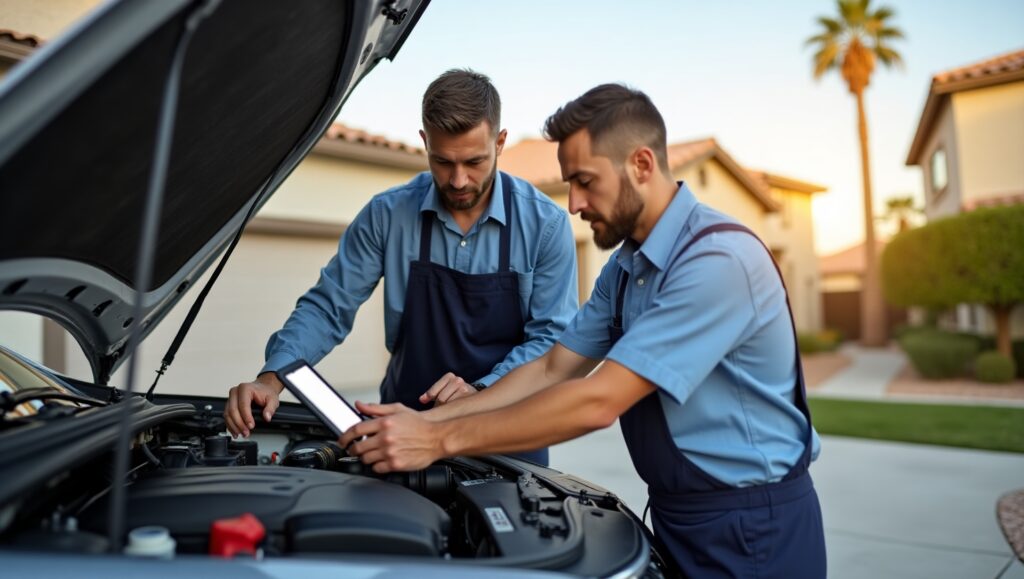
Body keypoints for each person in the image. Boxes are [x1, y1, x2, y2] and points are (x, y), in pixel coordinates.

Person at [340, 84, 827, 577]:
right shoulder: (627, 268)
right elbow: (552, 367)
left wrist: (440, 442)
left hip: (753, 528)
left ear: (641, 164)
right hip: (679, 516)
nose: (573, 204)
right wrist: (428, 422)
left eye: (585, 181)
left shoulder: (716, 262)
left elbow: (598, 401)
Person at [224, 69, 579, 466]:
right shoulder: (387, 215)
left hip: (508, 433)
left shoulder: (545, 225)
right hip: (401, 429)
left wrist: (482, 388)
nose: (459, 180)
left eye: (474, 161)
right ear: (425, 142)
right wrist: (271, 378)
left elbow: (552, 340)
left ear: (499, 142)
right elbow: (328, 307)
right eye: (442, 162)